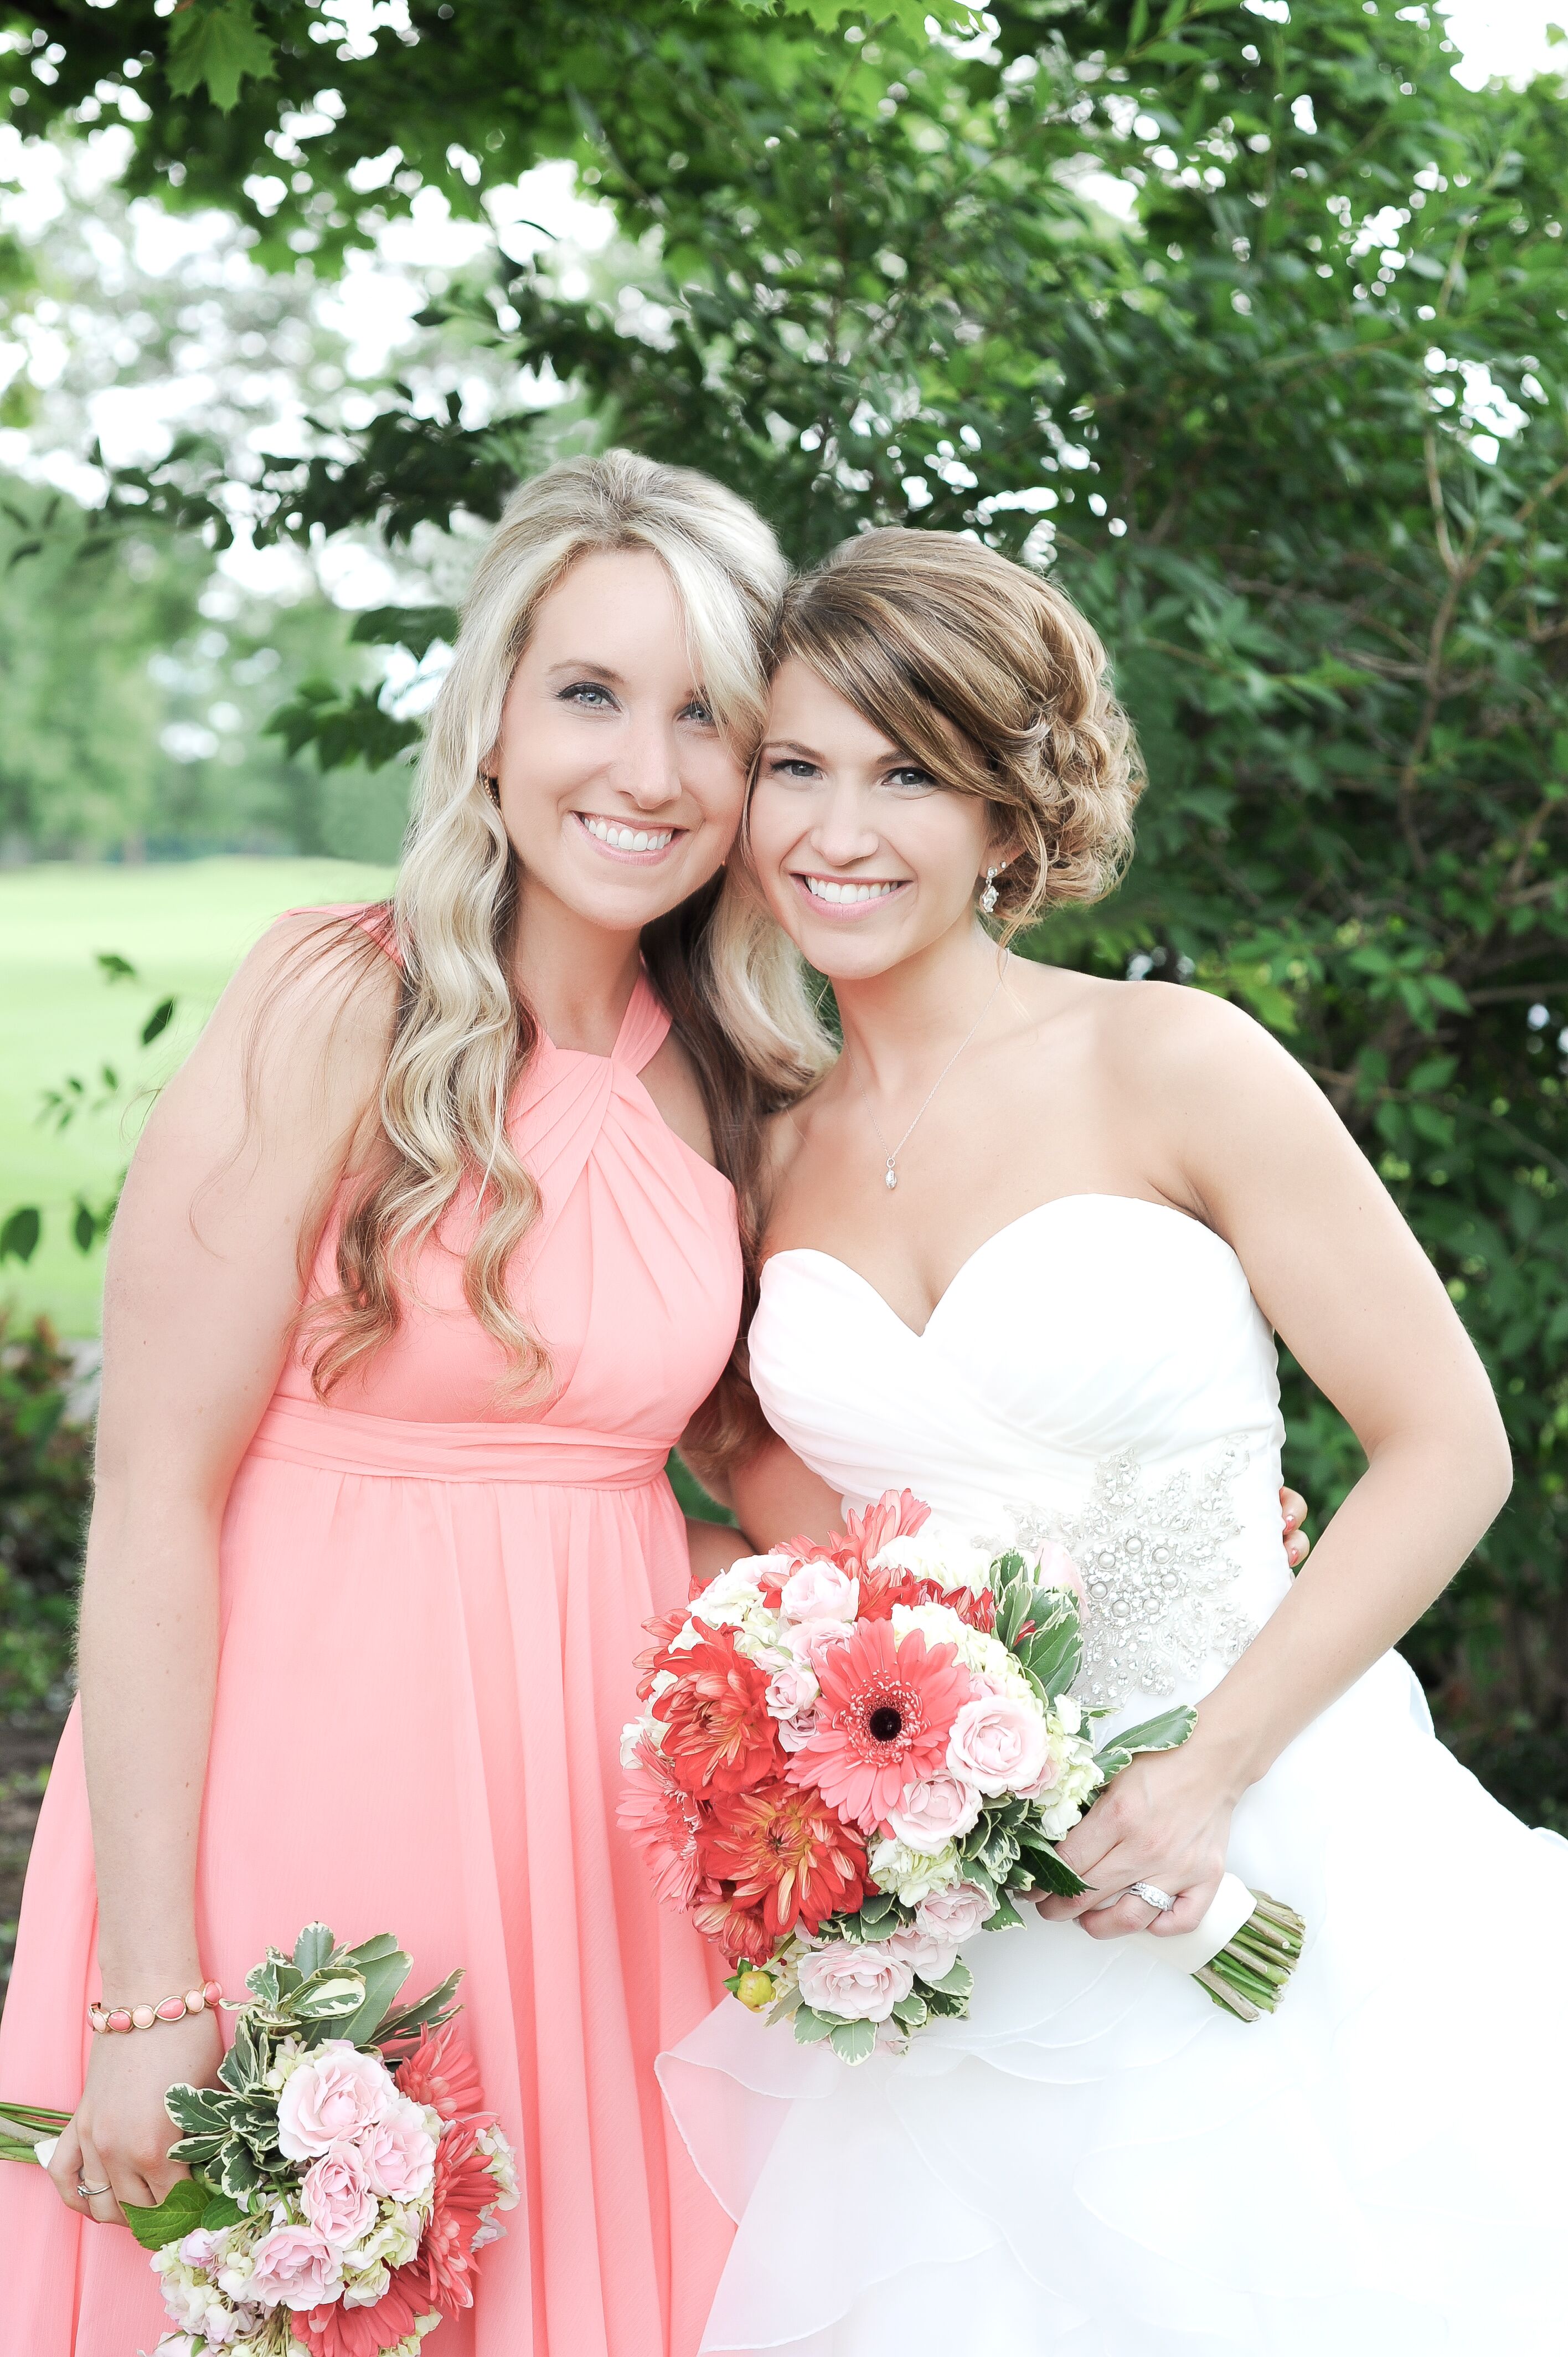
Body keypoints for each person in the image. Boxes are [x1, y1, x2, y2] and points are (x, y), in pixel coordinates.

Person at [661, 527, 1568, 2353]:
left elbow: (1448, 1444)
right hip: (974, 1906)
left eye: (909, 773)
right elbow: (784, 1512)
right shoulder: (752, 1148)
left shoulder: (1173, 1061)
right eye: (797, 769)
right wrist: (861, 1738)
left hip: (1282, 1822)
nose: (837, 830)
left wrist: (1207, 1770)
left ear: (1012, 818)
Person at [0, 450, 832, 2357]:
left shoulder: (733, 1071)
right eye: (591, 695)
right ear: (490, 720)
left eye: (706, 713)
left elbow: (741, 1475)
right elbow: (150, 1505)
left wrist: (1075, 1562)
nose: (647, 769)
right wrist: (150, 1986)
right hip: (308, 1797)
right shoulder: (336, 1003)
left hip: (613, 1853)